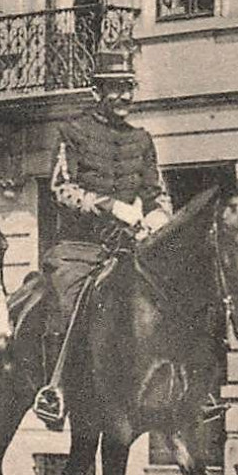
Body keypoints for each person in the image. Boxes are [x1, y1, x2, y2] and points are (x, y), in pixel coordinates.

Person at [32, 48, 172, 429]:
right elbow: (61, 188)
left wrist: (157, 216)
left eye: (129, 88)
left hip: (130, 246)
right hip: (80, 247)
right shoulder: (72, 132)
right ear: (97, 92)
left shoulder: (142, 140)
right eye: (115, 89)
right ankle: (55, 391)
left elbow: (157, 192)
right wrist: (109, 205)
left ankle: (183, 392)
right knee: (62, 300)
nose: (124, 97)